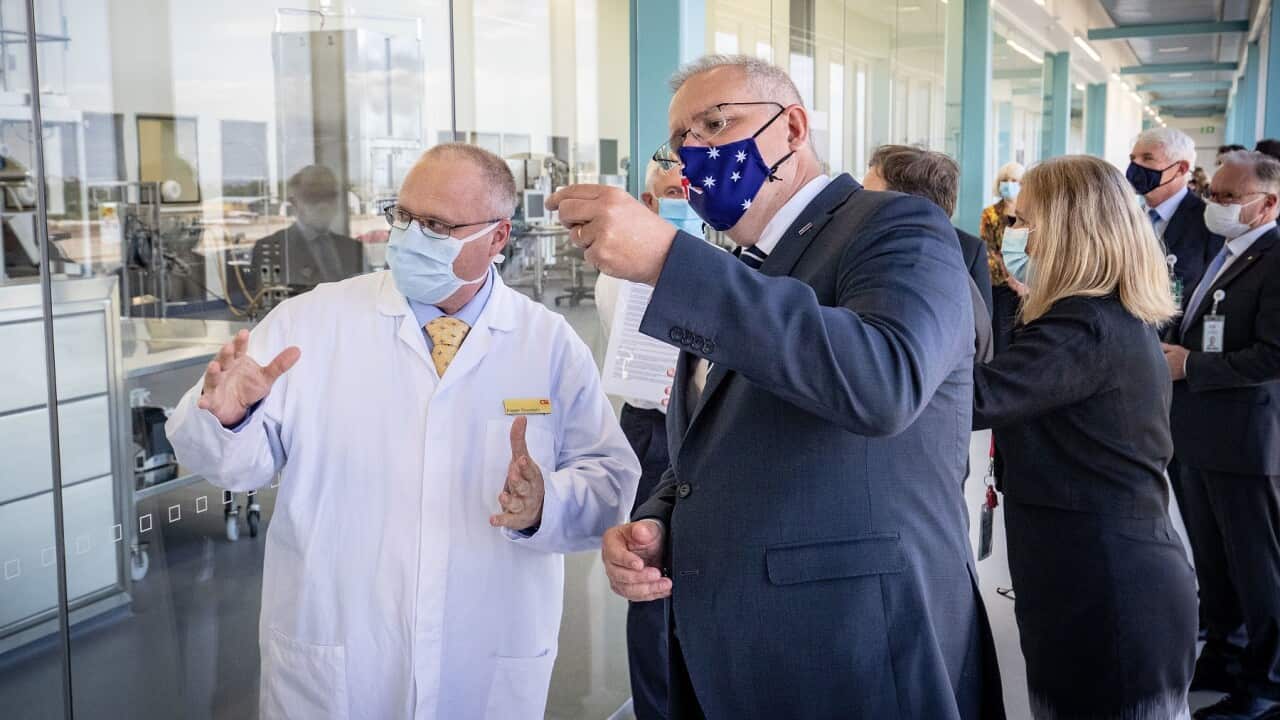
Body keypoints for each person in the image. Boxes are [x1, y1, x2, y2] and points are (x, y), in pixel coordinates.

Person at [551, 54, 1002, 719]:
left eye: (715, 123)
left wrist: (673, 260)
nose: (695, 151)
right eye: (683, 141)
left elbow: (882, 382)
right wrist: (661, 517)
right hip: (738, 648)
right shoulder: (744, 270)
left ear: (792, 128)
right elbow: (727, 439)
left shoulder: (896, 230)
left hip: (854, 648)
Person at [165, 143, 641, 719]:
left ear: (497, 238)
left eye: (438, 225)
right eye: (405, 216)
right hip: (338, 645)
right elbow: (230, 467)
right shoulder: (310, 322)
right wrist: (230, 418)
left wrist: (546, 505)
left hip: (487, 645)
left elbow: (612, 482)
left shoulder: (547, 342)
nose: (412, 237)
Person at [972, 154, 1197, 719]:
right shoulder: (1102, 317)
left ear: (1068, 231)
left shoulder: (1084, 327)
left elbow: (977, 398)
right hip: (1091, 575)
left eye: (1026, 222)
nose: (1018, 236)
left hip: (1108, 589)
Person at [1161, 150, 1280, 720]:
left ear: (1269, 204)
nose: (1218, 207)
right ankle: (1227, 657)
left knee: (1260, 570)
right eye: (1216, 195)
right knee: (1215, 560)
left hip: (1247, 442)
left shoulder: (1275, 258)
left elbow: (1274, 357)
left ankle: (1266, 686)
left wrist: (1192, 367)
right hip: (1202, 435)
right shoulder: (1227, 253)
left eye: (1232, 199)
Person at [593, 158, 692, 720]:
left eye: (687, 191)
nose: (681, 201)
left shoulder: (723, 265)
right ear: (648, 206)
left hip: (707, 427)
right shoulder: (622, 278)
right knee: (650, 573)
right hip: (654, 428)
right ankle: (656, 707)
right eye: (668, 195)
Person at [862, 144, 994, 362]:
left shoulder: (923, 286)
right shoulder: (930, 272)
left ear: (910, 210)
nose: (855, 207)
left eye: (867, 199)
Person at [1128, 127, 1224, 314]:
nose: (1135, 166)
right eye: (1133, 159)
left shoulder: (1209, 222)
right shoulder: (1126, 220)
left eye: (1147, 158)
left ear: (1181, 169)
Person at [249, 165, 364, 294]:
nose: (323, 204)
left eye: (329, 195)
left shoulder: (354, 249)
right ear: (294, 202)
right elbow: (269, 304)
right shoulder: (272, 249)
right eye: (313, 196)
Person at [980, 161, 1026, 352]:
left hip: (1027, 283)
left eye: (1014, 180)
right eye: (1005, 180)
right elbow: (988, 249)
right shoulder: (990, 214)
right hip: (1000, 283)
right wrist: (1010, 276)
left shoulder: (1029, 212)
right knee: (1002, 334)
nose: (1009, 184)